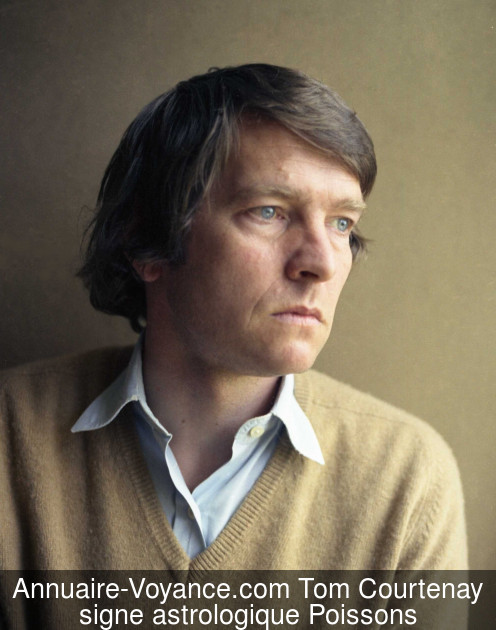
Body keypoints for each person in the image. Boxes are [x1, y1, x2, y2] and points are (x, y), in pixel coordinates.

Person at [0, 64, 466, 572]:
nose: (322, 263)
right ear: (146, 242)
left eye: (341, 223)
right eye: (269, 211)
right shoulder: (10, 435)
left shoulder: (407, 479)